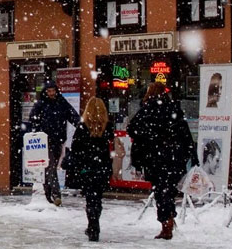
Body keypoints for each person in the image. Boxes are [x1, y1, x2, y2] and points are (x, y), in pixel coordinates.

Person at [127, 82, 197, 240]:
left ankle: (167, 223)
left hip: (155, 158)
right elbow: (185, 133)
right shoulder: (173, 109)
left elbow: (132, 128)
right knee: (169, 190)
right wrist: (190, 154)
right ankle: (169, 219)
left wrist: (149, 138)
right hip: (174, 157)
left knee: (161, 191)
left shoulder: (147, 109)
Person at [29, 79, 80, 206]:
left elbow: (72, 115)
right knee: (51, 167)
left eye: (53, 91)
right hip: (45, 140)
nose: (51, 93)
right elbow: (32, 118)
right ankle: (56, 194)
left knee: (50, 167)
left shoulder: (61, 102)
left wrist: (81, 125)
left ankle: (47, 193)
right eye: (49, 91)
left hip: (59, 140)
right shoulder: (41, 104)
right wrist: (38, 130)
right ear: (46, 92)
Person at [69, 98, 114, 242]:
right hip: (102, 167)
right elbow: (109, 147)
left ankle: (93, 226)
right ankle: (94, 225)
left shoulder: (82, 127)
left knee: (90, 198)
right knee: (97, 198)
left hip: (87, 168)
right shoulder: (107, 127)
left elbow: (75, 147)